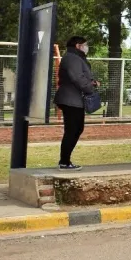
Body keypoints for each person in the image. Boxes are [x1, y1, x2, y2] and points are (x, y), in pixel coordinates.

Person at [54, 36, 99, 170]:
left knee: (76, 129)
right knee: (72, 130)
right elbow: (78, 78)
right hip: (70, 100)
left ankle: (65, 161)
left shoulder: (75, 57)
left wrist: (91, 83)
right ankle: (64, 162)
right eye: (85, 45)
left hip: (74, 100)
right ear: (78, 45)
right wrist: (90, 86)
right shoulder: (72, 58)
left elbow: (80, 77)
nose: (87, 47)